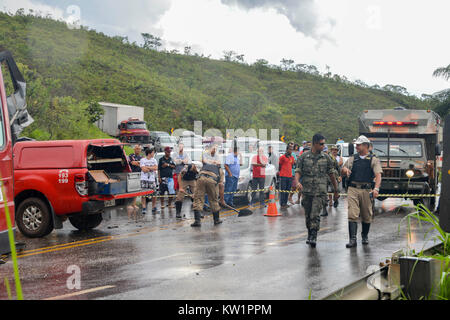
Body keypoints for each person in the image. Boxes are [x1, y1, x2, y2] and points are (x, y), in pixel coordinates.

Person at [295, 134, 340, 248]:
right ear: (314, 143)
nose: (323, 146)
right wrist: (297, 182)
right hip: (307, 190)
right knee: (308, 215)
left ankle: (314, 236)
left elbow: (331, 174)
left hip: (320, 191)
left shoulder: (326, 158)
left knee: (315, 214)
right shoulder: (304, 156)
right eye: (321, 144)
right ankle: (310, 233)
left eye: (324, 144)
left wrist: (336, 190)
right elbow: (298, 170)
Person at [341, 135, 382, 248]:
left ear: (365, 146)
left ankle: (364, 236)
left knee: (366, 214)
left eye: (359, 145)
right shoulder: (353, 158)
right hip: (353, 188)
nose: (357, 147)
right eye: (356, 145)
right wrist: (345, 170)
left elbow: (378, 175)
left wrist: (376, 188)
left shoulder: (373, 159)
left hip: (366, 189)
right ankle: (352, 240)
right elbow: (343, 169)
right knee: (352, 214)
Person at [192, 145, 224, 227]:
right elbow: (221, 185)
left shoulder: (204, 166)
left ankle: (197, 221)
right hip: (212, 180)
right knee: (213, 200)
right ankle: (216, 220)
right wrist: (222, 199)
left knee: (198, 199)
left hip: (201, 178)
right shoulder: (220, 170)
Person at [322, 145, 342, 216]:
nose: (334, 151)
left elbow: (338, 167)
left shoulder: (333, 158)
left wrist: (339, 176)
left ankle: (336, 200)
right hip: (324, 177)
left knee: (336, 190)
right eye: (333, 150)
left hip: (333, 176)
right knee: (323, 192)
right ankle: (324, 209)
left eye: (335, 150)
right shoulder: (321, 157)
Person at [140, 148, 159, 214]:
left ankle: (154, 207)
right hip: (144, 179)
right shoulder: (142, 160)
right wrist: (151, 168)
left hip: (152, 179)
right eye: (153, 152)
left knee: (154, 194)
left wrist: (148, 167)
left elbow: (156, 168)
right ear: (149, 153)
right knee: (143, 194)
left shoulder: (154, 160)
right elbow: (144, 169)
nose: (153, 154)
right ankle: (144, 207)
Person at [127, 144, 143, 217]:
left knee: (136, 190)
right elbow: (133, 163)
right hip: (132, 174)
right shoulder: (131, 156)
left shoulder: (141, 157)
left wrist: (139, 163)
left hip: (139, 174)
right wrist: (139, 163)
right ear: (134, 149)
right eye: (136, 149)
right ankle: (129, 204)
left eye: (139, 149)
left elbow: (142, 164)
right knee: (130, 190)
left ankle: (134, 203)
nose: (138, 150)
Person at [278, 144, 295, 209]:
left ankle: (285, 203)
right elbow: (279, 165)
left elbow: (292, 165)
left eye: (291, 149)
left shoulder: (292, 158)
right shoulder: (282, 157)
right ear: (287, 150)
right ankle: (282, 203)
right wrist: (281, 172)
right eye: (289, 149)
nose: (291, 151)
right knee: (283, 190)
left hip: (289, 176)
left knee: (287, 190)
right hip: (283, 176)